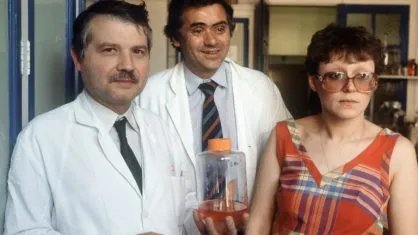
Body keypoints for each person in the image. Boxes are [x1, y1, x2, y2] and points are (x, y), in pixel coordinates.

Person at [4, 1, 184, 234]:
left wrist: (202, 220)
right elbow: (24, 230)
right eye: (110, 50)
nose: (128, 65)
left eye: (138, 52)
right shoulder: (41, 137)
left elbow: (182, 208)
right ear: (78, 58)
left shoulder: (162, 129)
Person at [246, 24, 418, 235]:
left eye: (362, 76)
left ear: (375, 82)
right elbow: (258, 223)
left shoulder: (397, 150)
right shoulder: (283, 136)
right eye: (335, 75)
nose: (350, 87)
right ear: (313, 82)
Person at [139, 0, 291, 233]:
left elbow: (288, 157)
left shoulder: (261, 88)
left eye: (220, 29)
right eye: (197, 30)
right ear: (175, 38)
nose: (211, 41)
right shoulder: (148, 95)